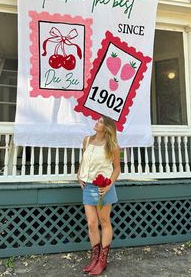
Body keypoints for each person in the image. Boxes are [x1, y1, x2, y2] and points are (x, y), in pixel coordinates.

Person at [77, 115, 121, 275]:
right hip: (88, 186)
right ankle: (94, 258)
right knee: (91, 223)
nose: (97, 122)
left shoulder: (113, 146)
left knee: (104, 221)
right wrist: (79, 175)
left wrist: (109, 185)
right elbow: (84, 160)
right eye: (98, 120)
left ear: (107, 127)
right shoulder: (87, 140)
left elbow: (117, 169)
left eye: (101, 122)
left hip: (103, 188)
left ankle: (102, 260)